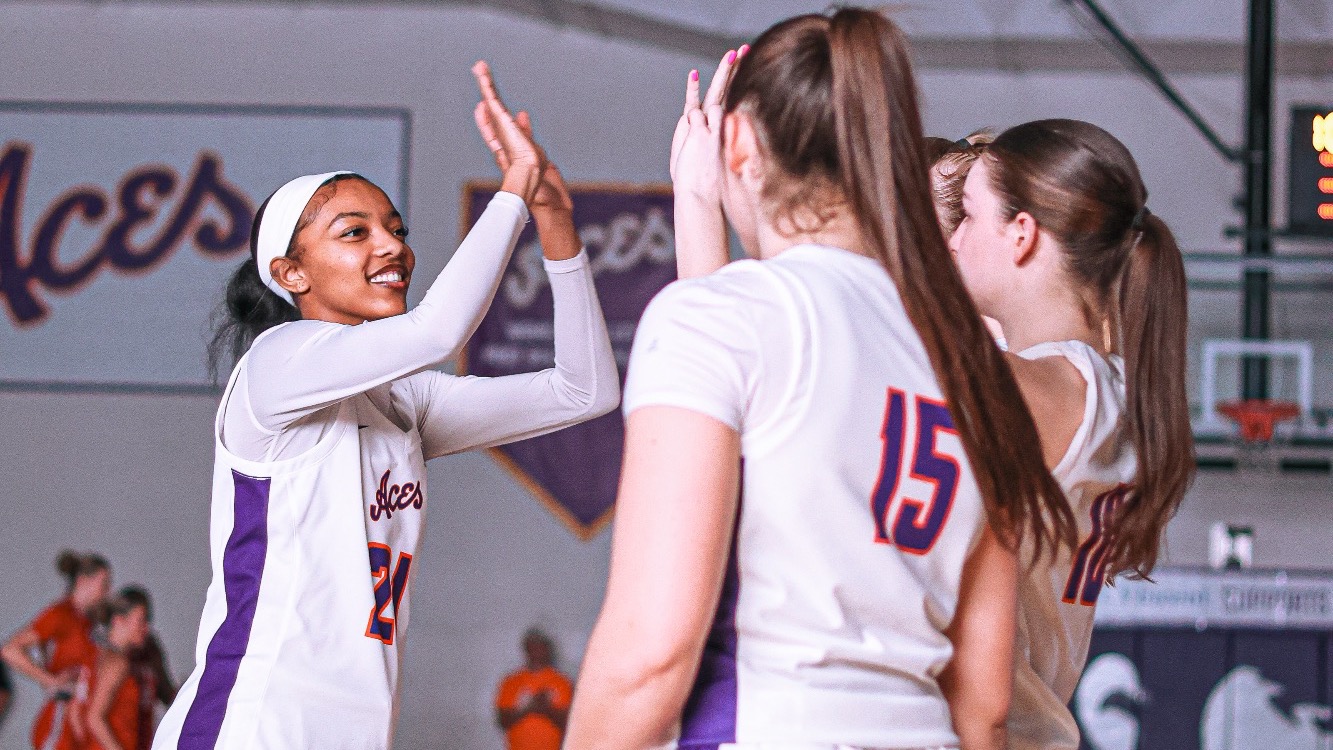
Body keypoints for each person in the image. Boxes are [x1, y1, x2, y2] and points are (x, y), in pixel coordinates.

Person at [566, 10, 1075, 750]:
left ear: (735, 143)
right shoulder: (975, 363)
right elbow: (983, 699)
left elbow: (651, 653)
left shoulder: (717, 318)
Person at [151, 62, 618, 750]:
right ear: (291, 274)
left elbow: (585, 390)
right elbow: (437, 329)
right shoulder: (278, 363)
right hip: (256, 722)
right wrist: (512, 190)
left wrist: (552, 217)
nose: (393, 245)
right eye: (354, 232)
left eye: (394, 228)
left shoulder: (402, 401)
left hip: (356, 729)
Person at [946, 118, 1194, 750]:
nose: (949, 240)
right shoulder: (1111, 385)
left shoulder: (1047, 386)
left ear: (1022, 235)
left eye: (966, 217)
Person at [2, 550, 111, 750]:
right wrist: (50, 680)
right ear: (83, 580)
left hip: (81, 721)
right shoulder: (60, 614)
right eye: (103, 585)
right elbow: (10, 650)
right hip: (59, 718)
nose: (106, 593)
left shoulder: (90, 623)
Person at [84, 588, 154, 750]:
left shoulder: (100, 656)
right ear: (119, 620)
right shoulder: (118, 663)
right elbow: (94, 717)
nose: (146, 628)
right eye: (141, 621)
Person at [494, 629, 572, 750]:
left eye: (540, 646)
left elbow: (570, 724)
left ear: (547, 649)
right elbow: (502, 721)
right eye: (532, 646)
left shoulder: (563, 682)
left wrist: (546, 709)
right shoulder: (510, 682)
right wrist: (528, 708)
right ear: (525, 649)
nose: (536, 651)